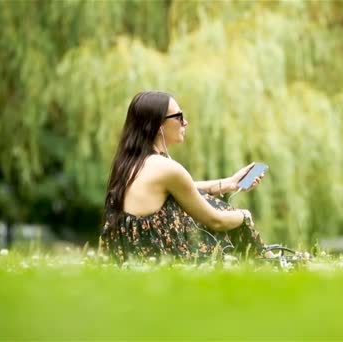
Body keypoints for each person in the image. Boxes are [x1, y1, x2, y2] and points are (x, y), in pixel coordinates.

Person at [99, 91, 267, 263]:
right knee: (228, 217)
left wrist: (229, 183)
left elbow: (184, 189)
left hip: (128, 259)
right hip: (156, 262)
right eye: (179, 117)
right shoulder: (167, 169)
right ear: (158, 125)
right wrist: (244, 216)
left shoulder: (131, 163)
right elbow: (216, 221)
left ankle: (264, 262)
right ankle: (265, 263)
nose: (185, 122)